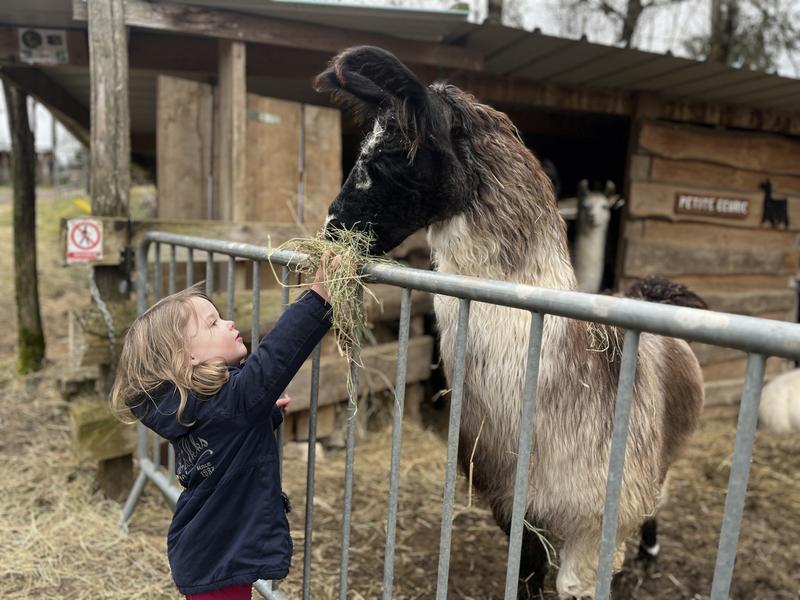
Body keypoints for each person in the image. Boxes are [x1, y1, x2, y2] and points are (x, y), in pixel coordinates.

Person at [110, 256, 336, 599]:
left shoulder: (193, 405)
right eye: (213, 324)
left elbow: (226, 440)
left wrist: (263, 413)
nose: (229, 323)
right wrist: (318, 297)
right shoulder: (229, 401)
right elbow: (275, 356)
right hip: (217, 561)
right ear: (187, 357)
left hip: (207, 552)